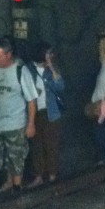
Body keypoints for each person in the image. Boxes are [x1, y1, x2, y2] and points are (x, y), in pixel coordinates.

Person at [0, 37, 37, 201]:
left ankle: (17, 189)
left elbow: (31, 100)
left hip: (15, 125)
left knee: (16, 158)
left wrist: (30, 124)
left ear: (9, 54)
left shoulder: (20, 71)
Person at [27, 41, 65, 185]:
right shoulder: (29, 69)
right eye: (49, 53)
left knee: (52, 144)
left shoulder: (52, 69)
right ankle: (38, 175)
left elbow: (61, 87)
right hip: (35, 112)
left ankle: (52, 175)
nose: (51, 55)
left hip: (52, 112)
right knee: (37, 145)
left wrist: (52, 68)